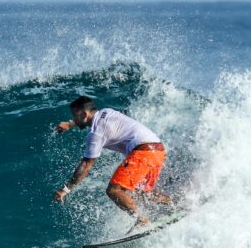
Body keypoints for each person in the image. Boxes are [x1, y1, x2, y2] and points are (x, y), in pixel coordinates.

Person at [53, 95, 171, 228]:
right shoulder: (106, 112)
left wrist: (66, 189)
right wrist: (70, 124)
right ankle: (175, 205)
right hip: (158, 150)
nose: (74, 118)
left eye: (75, 115)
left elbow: (86, 165)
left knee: (114, 190)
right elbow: (86, 119)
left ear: (85, 114)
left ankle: (141, 221)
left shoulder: (96, 133)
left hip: (143, 152)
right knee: (143, 193)